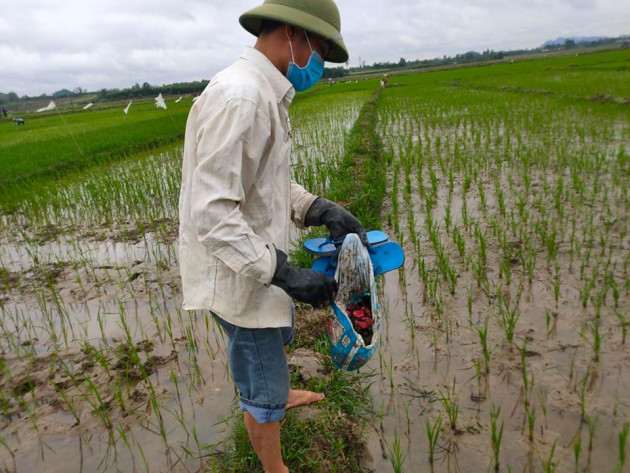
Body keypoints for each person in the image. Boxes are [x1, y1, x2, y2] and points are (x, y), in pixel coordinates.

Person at [178, 1, 367, 472]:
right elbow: (214, 211)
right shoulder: (242, 96)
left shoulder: (264, 92)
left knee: (270, 345)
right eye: (320, 49)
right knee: (260, 370)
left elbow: (265, 179)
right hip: (238, 271)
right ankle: (274, 461)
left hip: (252, 260)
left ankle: (278, 393)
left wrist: (316, 207)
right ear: (292, 34)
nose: (319, 63)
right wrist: (283, 273)